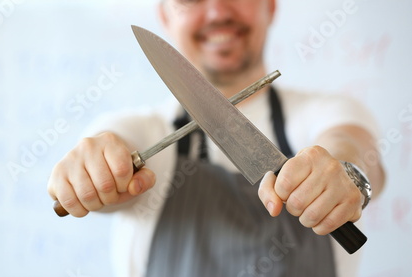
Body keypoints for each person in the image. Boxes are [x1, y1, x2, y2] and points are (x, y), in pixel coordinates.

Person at [48, 0, 385, 276]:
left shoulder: (328, 111)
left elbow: (353, 146)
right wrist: (95, 169)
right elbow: (113, 143)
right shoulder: (139, 129)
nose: (217, 11)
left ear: (270, 6)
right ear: (166, 15)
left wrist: (346, 176)